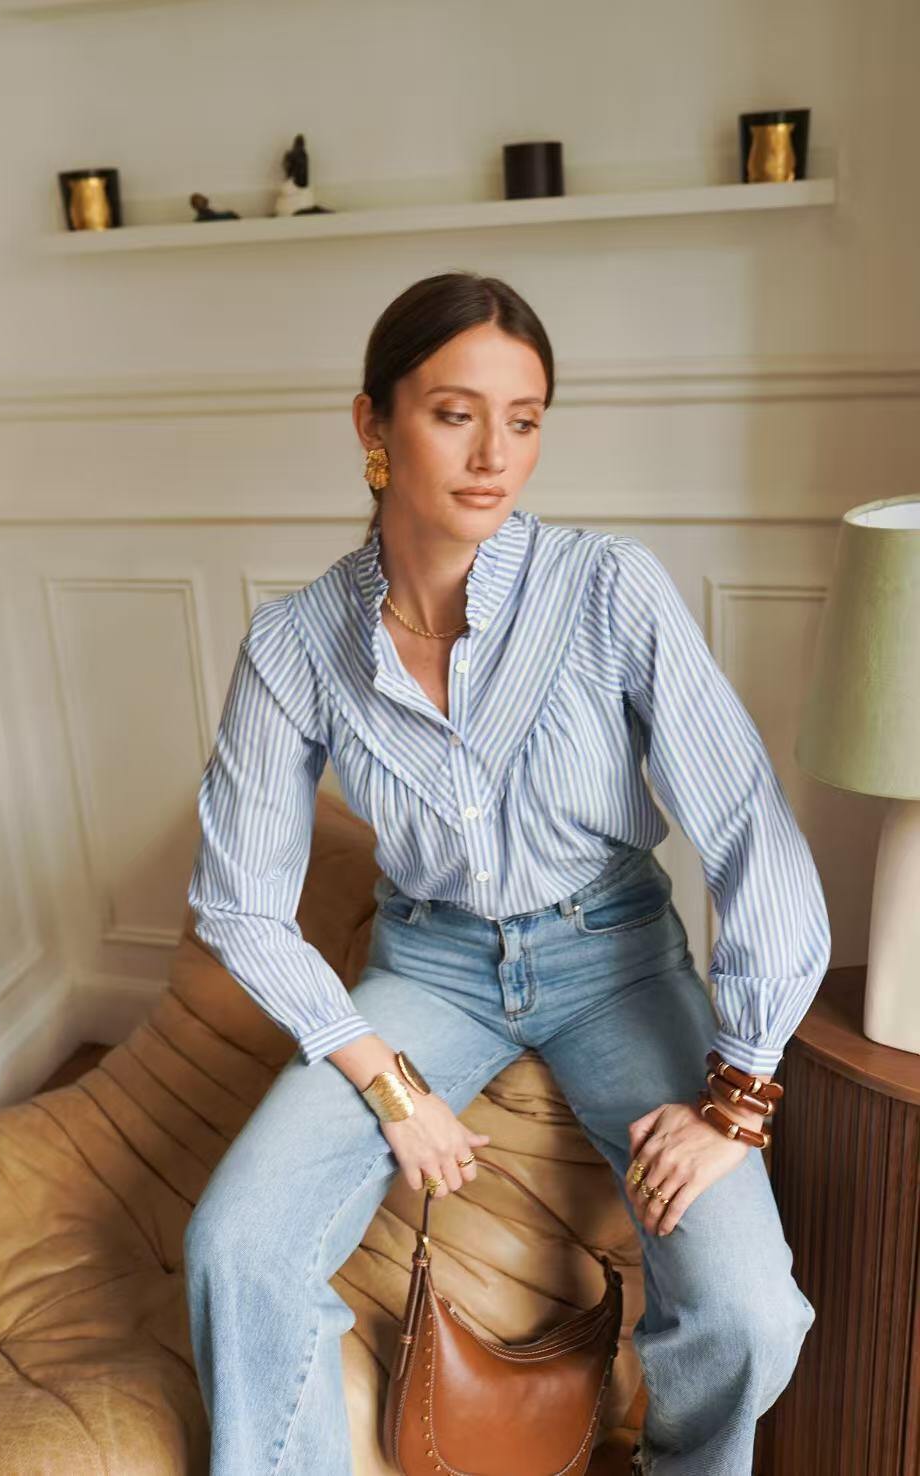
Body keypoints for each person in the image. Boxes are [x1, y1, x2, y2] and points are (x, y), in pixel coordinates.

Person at [182, 271, 830, 1476]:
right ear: (373, 426)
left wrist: (736, 1101)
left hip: (618, 960)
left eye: (524, 419)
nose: (494, 455)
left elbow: (747, 825)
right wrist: (389, 1087)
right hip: (427, 967)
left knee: (748, 1309)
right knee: (236, 1245)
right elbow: (240, 902)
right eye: (452, 412)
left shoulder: (609, 588)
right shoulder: (294, 645)